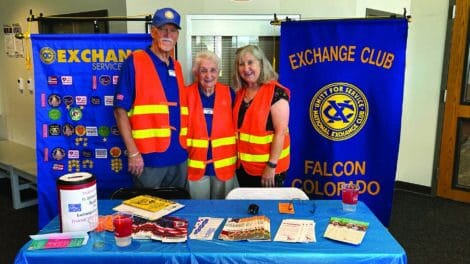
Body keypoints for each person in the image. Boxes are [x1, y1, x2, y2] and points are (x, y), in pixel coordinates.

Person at [113, 7, 189, 190]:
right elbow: (119, 110)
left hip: (178, 156)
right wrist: (133, 153)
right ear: (152, 31)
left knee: (179, 210)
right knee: (147, 213)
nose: (167, 34)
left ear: (177, 36)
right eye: (162, 29)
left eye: (172, 30)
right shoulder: (135, 62)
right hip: (149, 159)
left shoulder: (177, 67)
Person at [232, 45, 291, 188]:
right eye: (241, 64)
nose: (246, 68)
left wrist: (271, 166)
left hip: (268, 170)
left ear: (261, 64)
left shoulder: (276, 93)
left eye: (250, 62)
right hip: (244, 168)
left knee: (267, 210)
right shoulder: (240, 93)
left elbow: (280, 132)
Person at [186, 51, 238, 199]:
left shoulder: (229, 93)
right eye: (203, 70)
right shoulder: (185, 94)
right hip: (196, 165)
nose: (208, 75)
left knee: (223, 210)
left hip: (224, 165)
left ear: (218, 72)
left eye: (213, 70)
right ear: (196, 73)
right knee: (198, 211)